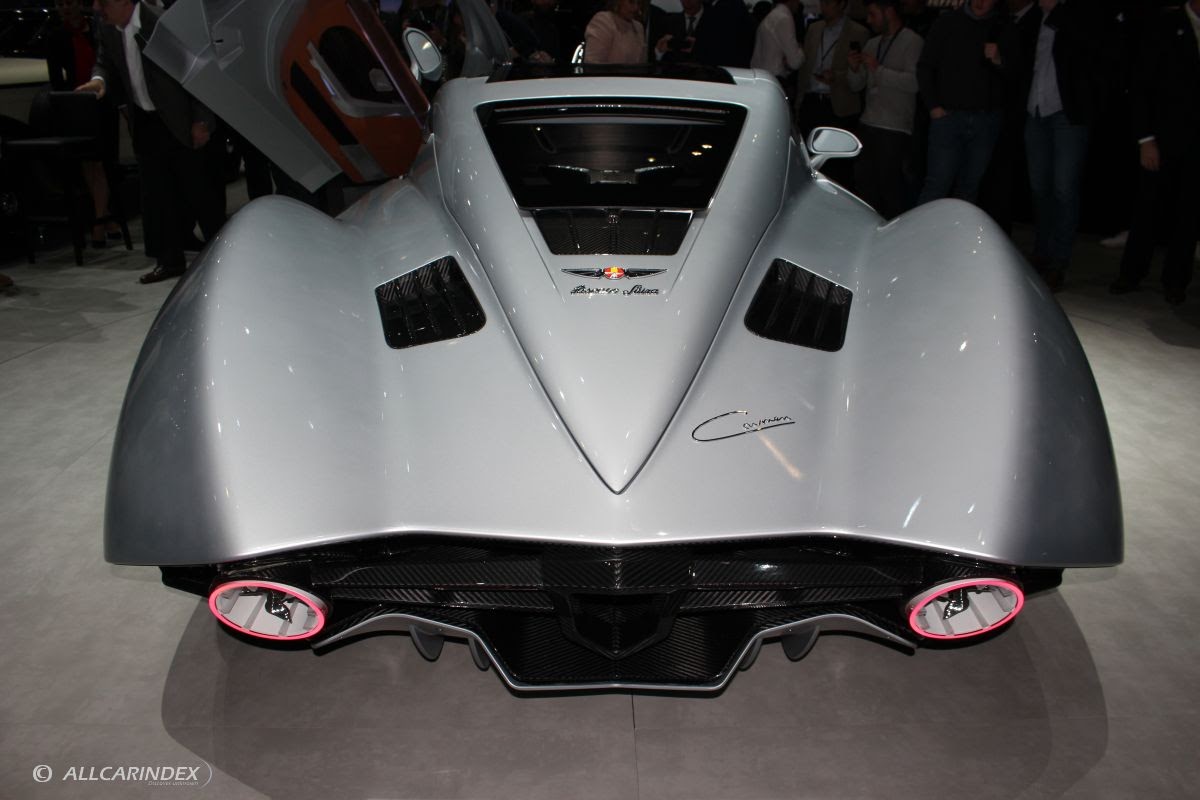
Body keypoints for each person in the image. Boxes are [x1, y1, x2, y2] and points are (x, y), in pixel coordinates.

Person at [76, 0, 218, 284]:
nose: (98, 8)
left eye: (104, 2)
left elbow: (198, 70)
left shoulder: (163, 23)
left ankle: (223, 258)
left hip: (179, 119)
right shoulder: (107, 28)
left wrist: (202, 120)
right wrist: (99, 80)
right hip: (145, 120)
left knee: (200, 192)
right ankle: (169, 260)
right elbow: (105, 62)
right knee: (157, 195)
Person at [1110, 0, 1200, 305]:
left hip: (1195, 144)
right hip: (1162, 138)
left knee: (1189, 214)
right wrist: (1145, 138)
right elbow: (1141, 85)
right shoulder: (1164, 25)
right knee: (1149, 207)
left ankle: (1176, 280)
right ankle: (1131, 273)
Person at [1021, 0, 1112, 292]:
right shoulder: (1032, 18)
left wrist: (1059, 12)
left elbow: (1092, 53)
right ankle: (1041, 252)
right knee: (1039, 187)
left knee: (1064, 188)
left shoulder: (1081, 15)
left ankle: (1058, 262)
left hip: (1068, 113)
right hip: (1035, 110)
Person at [915, 0, 1019, 205]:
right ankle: (923, 227)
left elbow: (1017, 76)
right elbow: (925, 66)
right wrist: (934, 106)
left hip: (986, 119)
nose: (980, 2)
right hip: (949, 116)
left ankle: (958, 228)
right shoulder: (947, 22)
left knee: (969, 189)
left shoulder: (1004, 26)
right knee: (937, 185)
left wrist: (1000, 60)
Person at [46, 0, 122, 248]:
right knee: (88, 164)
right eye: (60, 4)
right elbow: (57, 78)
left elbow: (108, 64)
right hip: (76, 104)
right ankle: (104, 217)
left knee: (102, 162)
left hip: (101, 102)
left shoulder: (98, 28)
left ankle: (100, 220)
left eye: (68, 3)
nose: (65, 9)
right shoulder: (56, 36)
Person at [846, 0, 922, 219]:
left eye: (873, 14)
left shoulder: (913, 42)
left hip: (894, 128)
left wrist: (878, 70)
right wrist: (854, 69)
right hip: (868, 123)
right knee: (865, 188)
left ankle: (895, 234)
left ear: (889, 11)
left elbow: (914, 82)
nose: (868, 20)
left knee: (891, 191)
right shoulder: (872, 43)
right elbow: (857, 85)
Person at [796, 0, 869, 137]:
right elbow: (804, 68)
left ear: (841, 4)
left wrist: (836, 76)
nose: (823, 7)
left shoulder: (858, 32)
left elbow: (860, 72)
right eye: (822, 2)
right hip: (810, 100)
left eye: (828, 3)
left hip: (838, 104)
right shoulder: (814, 28)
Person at [751, 0, 806, 100]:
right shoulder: (784, 18)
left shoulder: (771, 16)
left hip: (761, 78)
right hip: (774, 80)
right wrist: (801, 49)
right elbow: (795, 62)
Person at [585, 0, 667, 64]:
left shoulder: (638, 27)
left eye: (638, 3)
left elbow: (641, 65)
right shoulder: (603, 21)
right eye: (631, 2)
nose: (636, 8)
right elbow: (593, 64)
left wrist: (658, 52)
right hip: (607, 80)